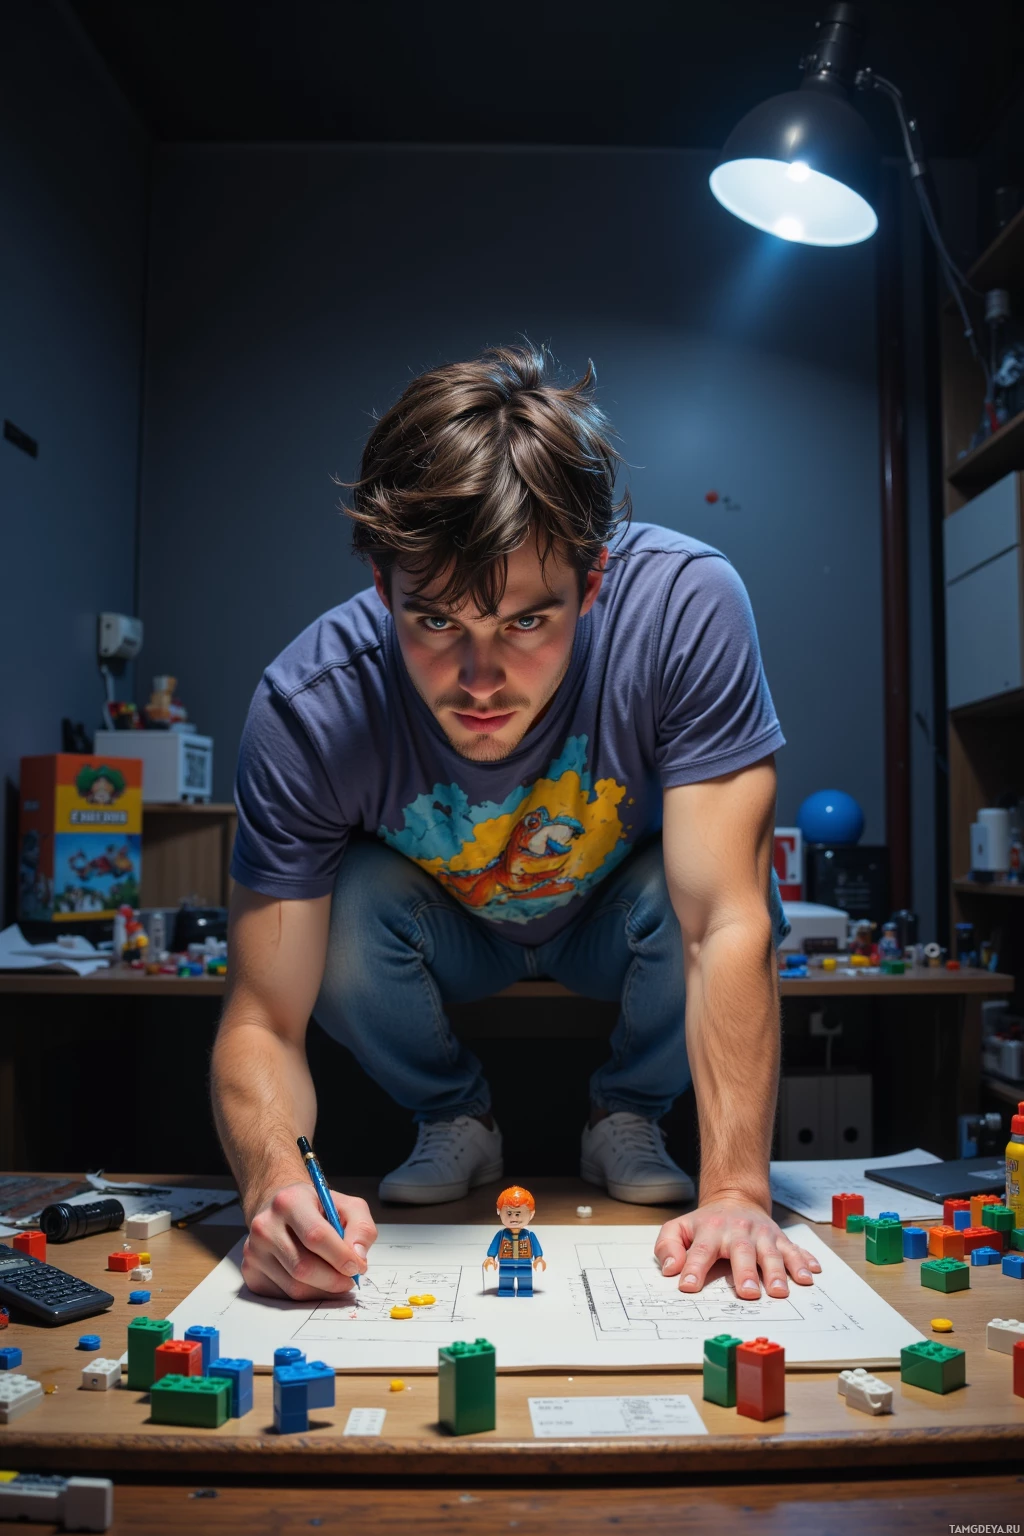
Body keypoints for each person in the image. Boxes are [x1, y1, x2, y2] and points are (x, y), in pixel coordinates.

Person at [211, 343, 821, 1305]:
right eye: (438, 624)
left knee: (715, 889)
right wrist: (277, 1187)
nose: (481, 679)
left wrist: (739, 1190)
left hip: (620, 923)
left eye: (527, 624)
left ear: (591, 581)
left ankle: (627, 1111)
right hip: (441, 931)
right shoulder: (306, 707)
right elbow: (262, 1020)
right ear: (383, 586)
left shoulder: (686, 607)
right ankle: (456, 1116)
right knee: (341, 913)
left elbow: (724, 925)